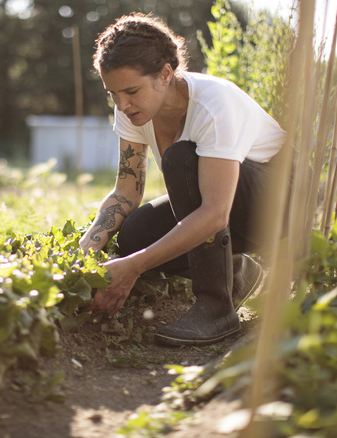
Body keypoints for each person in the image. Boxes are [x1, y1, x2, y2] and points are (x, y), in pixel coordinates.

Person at [79, 13, 286, 346]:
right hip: (229, 206)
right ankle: (237, 272)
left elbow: (216, 213)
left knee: (180, 160)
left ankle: (217, 307)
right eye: (113, 93)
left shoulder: (213, 105)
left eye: (131, 91)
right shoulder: (132, 111)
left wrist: (133, 267)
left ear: (165, 74)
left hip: (281, 201)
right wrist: (85, 250)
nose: (122, 104)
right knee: (134, 234)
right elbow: (126, 192)